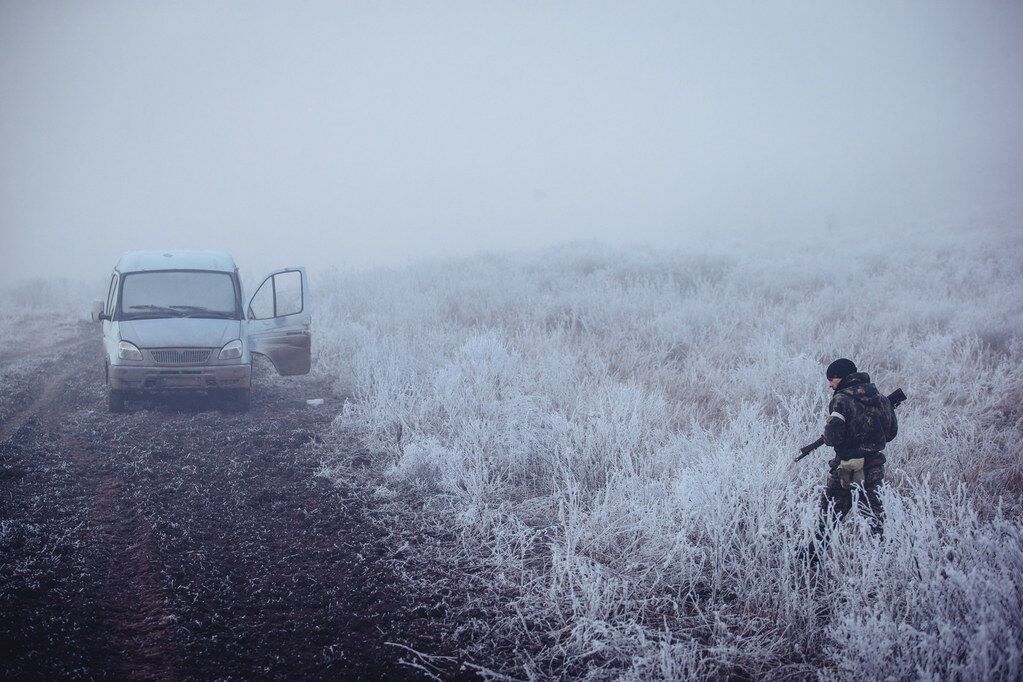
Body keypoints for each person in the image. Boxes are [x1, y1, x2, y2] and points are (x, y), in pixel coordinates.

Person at [817, 358, 898, 540]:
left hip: (846, 468)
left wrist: (828, 432)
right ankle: (880, 561)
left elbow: (833, 437)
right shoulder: (881, 399)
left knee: (828, 518)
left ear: (840, 377)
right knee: (875, 522)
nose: (830, 385)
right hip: (873, 469)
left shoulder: (840, 400)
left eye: (831, 380)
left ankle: (810, 560)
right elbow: (891, 433)